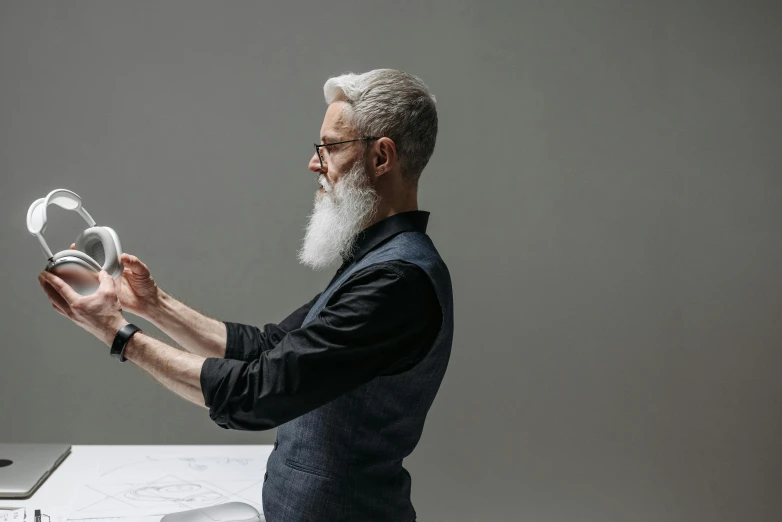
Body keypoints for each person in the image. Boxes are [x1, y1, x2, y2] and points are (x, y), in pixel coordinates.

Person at [37, 68, 453, 522]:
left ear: (381, 157)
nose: (315, 163)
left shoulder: (395, 283)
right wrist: (154, 304)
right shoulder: (377, 263)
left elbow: (257, 394)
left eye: (330, 146)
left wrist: (116, 333)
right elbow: (266, 347)